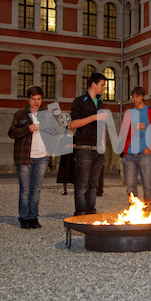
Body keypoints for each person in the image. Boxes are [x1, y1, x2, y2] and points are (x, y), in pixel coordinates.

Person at [8, 85, 50, 229]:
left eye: (39, 99)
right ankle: (24, 217)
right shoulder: (20, 114)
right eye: (33, 99)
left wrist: (52, 149)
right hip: (25, 156)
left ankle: (33, 216)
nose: (36, 102)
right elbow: (12, 133)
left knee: (36, 189)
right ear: (28, 99)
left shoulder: (47, 114)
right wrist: (28, 129)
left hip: (43, 156)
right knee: (25, 189)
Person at [69, 72, 108, 216]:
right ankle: (80, 213)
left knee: (93, 184)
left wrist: (103, 143)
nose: (104, 88)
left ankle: (91, 211)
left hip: (99, 149)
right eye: (102, 85)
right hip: (84, 148)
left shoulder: (100, 102)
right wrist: (94, 117)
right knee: (83, 184)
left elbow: (101, 125)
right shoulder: (79, 101)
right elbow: (73, 124)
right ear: (93, 84)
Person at [122, 85, 151, 209]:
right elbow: (123, 133)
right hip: (129, 154)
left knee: (147, 185)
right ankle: (133, 211)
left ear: (143, 96)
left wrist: (150, 148)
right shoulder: (128, 113)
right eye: (133, 97)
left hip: (145, 153)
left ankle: (148, 211)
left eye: (137, 96)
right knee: (130, 186)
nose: (135, 99)